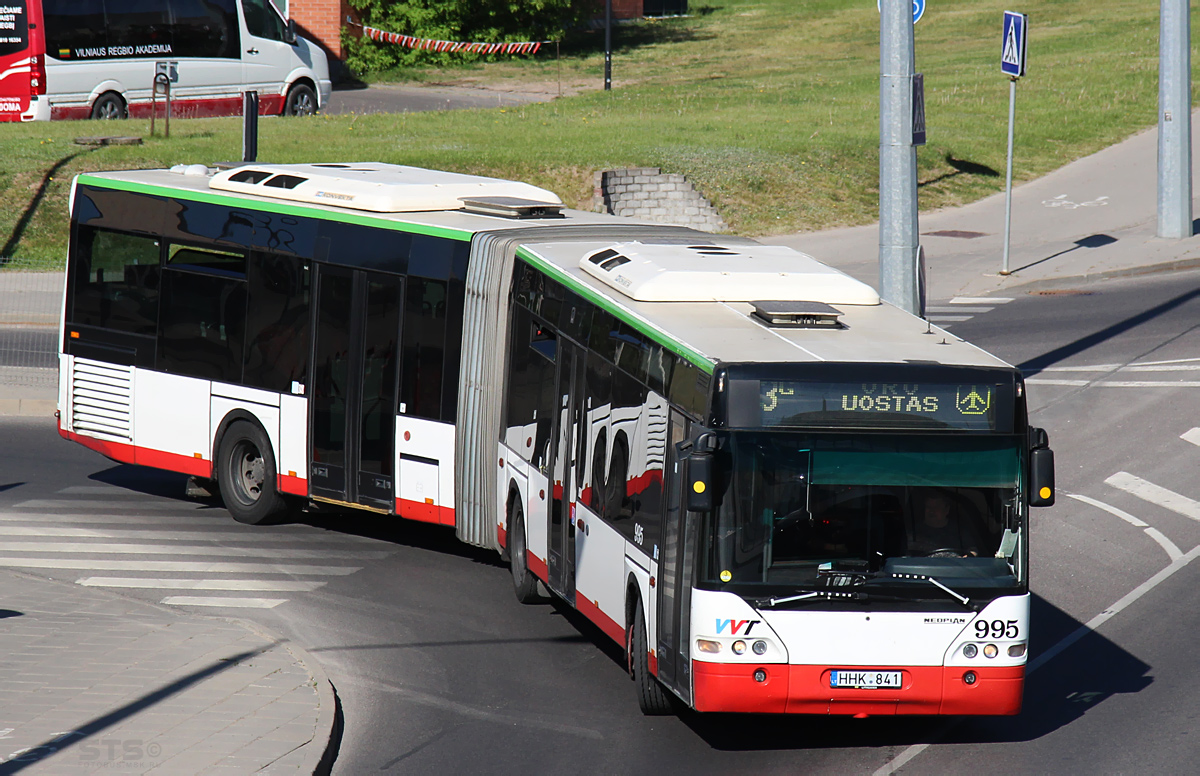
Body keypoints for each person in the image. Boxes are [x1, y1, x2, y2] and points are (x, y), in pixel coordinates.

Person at [910, 490, 981, 557]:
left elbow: (973, 550)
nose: (932, 511)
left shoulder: (959, 531)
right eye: (929, 507)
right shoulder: (914, 532)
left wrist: (967, 558)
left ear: (946, 510)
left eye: (936, 507)